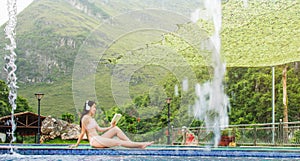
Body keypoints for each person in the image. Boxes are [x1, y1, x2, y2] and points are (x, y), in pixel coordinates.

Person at [70, 100, 153, 148]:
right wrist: (76, 145)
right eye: (94, 107)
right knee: (117, 142)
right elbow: (82, 133)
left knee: (115, 129)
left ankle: (131, 144)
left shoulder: (91, 118)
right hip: (94, 140)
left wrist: (110, 127)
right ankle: (140, 145)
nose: (95, 109)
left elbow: (99, 129)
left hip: (99, 138)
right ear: (89, 108)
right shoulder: (85, 118)